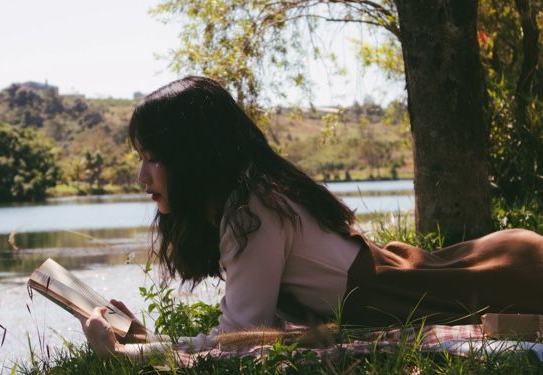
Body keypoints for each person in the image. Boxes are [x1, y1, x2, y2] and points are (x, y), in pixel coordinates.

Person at [79, 76, 543, 359]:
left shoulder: (252, 210)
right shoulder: (251, 198)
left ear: (193, 157)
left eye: (153, 157)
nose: (141, 175)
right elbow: (254, 330)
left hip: (508, 278)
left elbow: (240, 338)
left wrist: (139, 349)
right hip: (482, 266)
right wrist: (144, 339)